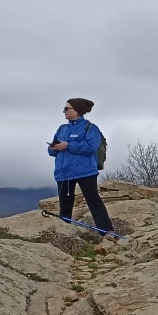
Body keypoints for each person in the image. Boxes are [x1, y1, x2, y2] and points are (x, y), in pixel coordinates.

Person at [48, 98, 115, 238]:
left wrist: (68, 145)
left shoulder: (90, 128)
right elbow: (51, 152)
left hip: (85, 172)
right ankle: (63, 233)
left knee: (93, 201)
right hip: (64, 173)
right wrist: (53, 148)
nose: (64, 111)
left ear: (77, 111)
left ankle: (107, 232)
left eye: (67, 109)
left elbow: (91, 147)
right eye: (64, 109)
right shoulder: (62, 129)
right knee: (65, 203)